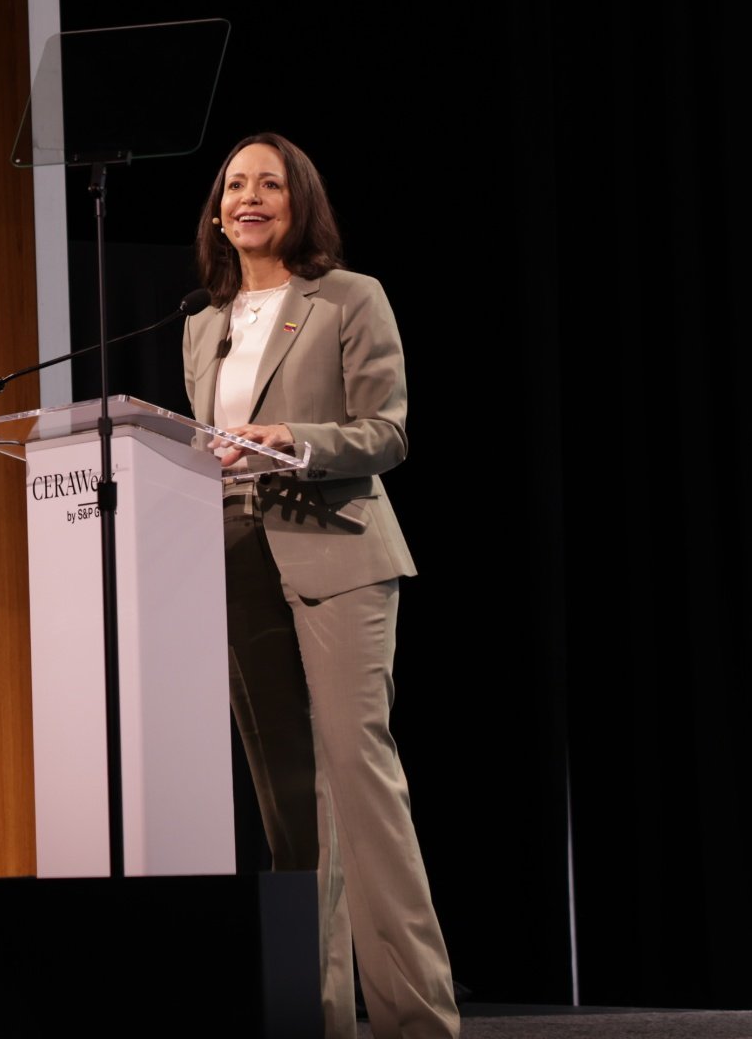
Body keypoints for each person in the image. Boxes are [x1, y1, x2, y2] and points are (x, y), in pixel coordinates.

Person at [182, 132, 459, 1038]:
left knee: (359, 784)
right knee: (284, 795)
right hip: (236, 556)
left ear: (298, 201)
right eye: (233, 186)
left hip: (336, 549)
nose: (247, 198)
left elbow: (388, 431)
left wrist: (290, 439)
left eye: (267, 183)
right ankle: (320, 1015)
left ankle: (419, 1019)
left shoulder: (347, 299)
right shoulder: (200, 322)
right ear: (216, 212)